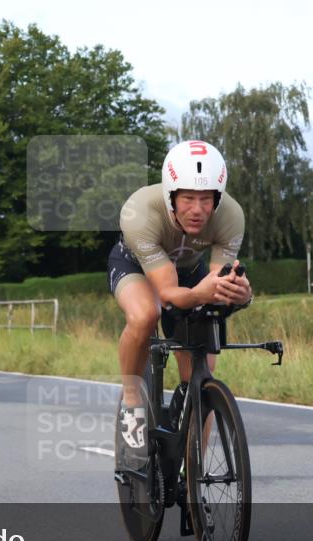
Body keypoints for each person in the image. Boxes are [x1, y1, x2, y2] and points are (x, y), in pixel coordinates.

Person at [108, 140, 253, 449]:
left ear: (218, 196)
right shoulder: (140, 212)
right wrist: (201, 293)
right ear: (170, 195)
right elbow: (168, 294)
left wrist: (239, 294)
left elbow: (218, 282)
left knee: (203, 374)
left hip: (189, 272)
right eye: (188, 198)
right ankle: (132, 397)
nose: (198, 210)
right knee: (146, 314)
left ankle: (191, 474)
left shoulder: (231, 215)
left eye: (206, 199)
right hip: (137, 268)